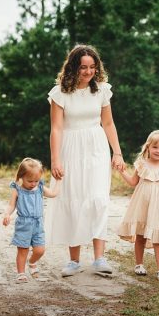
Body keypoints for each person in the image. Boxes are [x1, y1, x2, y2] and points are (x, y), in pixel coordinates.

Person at [47, 44, 125, 278]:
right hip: (70, 148)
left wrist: (117, 152)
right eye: (83, 67)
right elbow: (56, 129)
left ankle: (99, 258)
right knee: (74, 198)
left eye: (92, 67)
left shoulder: (101, 90)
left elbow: (108, 123)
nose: (88, 71)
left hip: (96, 147)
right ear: (73, 67)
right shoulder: (60, 93)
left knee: (98, 199)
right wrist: (55, 159)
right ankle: (73, 260)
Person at [116, 129, 159, 282]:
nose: (158, 151)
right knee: (140, 235)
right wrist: (122, 171)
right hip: (141, 204)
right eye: (155, 147)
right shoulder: (141, 164)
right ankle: (139, 264)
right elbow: (133, 182)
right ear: (148, 147)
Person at [1, 158, 59, 283]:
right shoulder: (17, 190)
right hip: (24, 224)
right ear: (21, 176)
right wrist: (7, 214)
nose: (33, 183)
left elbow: (53, 194)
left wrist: (59, 181)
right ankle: (21, 273)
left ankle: (32, 262)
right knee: (23, 250)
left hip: (38, 224)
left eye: (36, 181)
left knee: (40, 250)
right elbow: (12, 205)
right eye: (30, 181)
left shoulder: (40, 188)